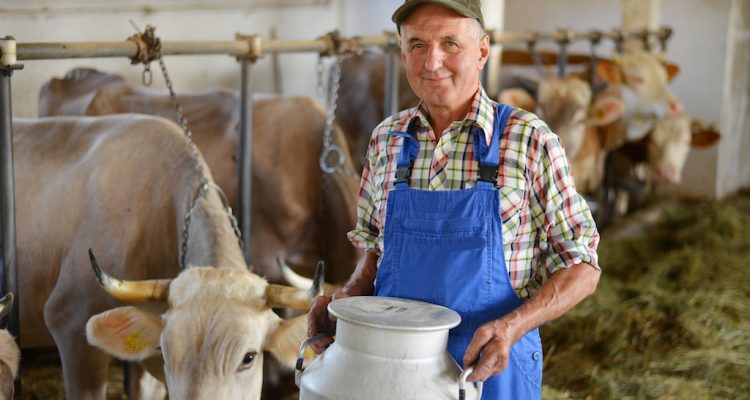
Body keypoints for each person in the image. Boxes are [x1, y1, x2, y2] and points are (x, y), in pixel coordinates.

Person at [307, 0, 601, 398]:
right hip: (392, 371)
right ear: (401, 52)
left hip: (489, 367)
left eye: (450, 43)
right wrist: (347, 303)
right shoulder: (386, 141)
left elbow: (582, 264)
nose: (432, 62)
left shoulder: (529, 140)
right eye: (417, 45)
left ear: (482, 51)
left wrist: (511, 327)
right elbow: (377, 252)